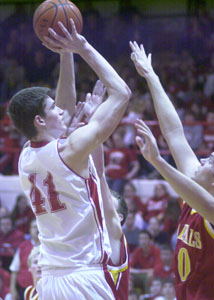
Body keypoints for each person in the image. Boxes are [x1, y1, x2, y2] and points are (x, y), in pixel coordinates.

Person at [8, 19, 131, 300]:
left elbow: (63, 106)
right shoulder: (70, 150)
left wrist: (65, 54)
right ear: (40, 120)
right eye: (52, 109)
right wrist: (81, 47)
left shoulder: (26, 157)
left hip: (50, 280)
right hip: (83, 278)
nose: (61, 111)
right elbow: (122, 93)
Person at [130, 40, 214, 300]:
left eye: (212, 161)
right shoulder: (193, 195)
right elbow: (174, 134)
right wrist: (151, 76)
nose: (203, 159)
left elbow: (186, 189)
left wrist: (158, 161)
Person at [9, 219, 39, 300]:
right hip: (25, 290)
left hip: (44, 289)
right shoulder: (23, 246)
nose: (37, 230)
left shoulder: (50, 247)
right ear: (30, 230)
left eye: (39, 226)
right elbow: (14, 270)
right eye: (34, 227)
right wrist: (12, 289)